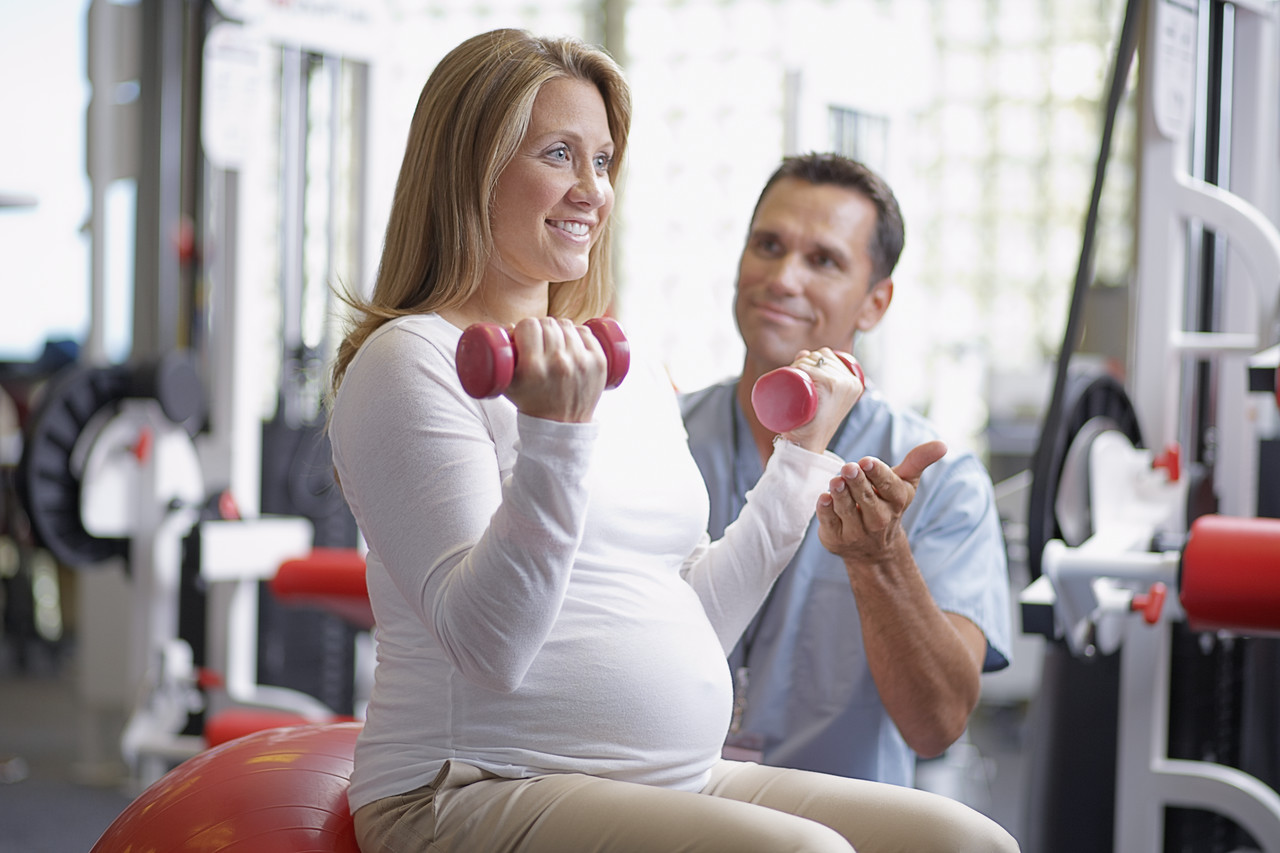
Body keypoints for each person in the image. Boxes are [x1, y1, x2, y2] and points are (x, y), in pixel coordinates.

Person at [327, 29, 1019, 853]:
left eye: (603, 161)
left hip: (664, 776)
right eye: (559, 153)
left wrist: (801, 458)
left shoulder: (621, 363)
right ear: (471, 165)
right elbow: (488, 646)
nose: (592, 190)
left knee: (966, 842)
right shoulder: (411, 359)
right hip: (472, 781)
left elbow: (691, 614)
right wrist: (554, 434)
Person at [680, 153, 1014, 790]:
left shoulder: (940, 479)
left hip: (835, 823)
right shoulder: (664, 436)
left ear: (874, 303)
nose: (783, 278)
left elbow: (937, 724)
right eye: (768, 245)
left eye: (824, 260)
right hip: (665, 811)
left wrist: (879, 559)